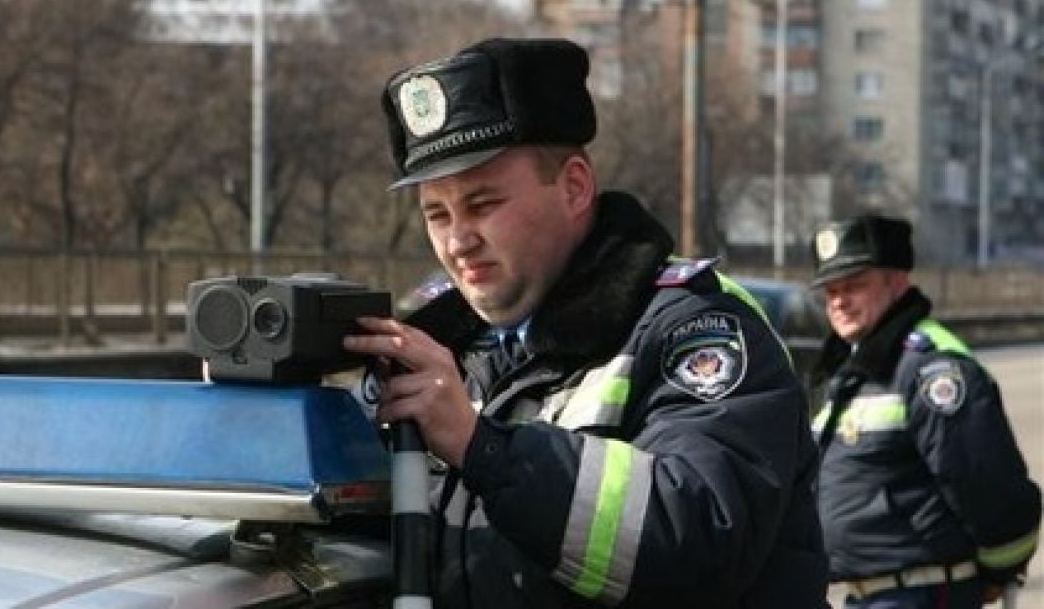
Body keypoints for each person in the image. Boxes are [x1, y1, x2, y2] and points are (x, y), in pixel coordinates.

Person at [343, 37, 827, 608]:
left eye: (482, 205)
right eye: (436, 214)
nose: (457, 240)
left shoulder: (696, 328)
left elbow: (699, 538)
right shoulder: (440, 349)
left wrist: (483, 447)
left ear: (574, 188)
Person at [807, 215, 1041, 608]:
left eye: (855, 286)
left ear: (896, 283)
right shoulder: (849, 370)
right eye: (831, 291)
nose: (839, 302)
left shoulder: (933, 371)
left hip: (923, 592)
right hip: (871, 594)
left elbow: (988, 486)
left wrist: (999, 571)